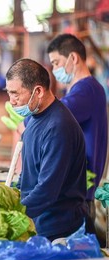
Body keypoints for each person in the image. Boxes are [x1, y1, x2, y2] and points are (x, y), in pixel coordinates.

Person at [6, 58, 88, 241]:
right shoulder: (35, 118)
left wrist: (11, 212)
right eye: (9, 93)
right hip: (37, 222)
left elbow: (47, 190)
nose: (11, 101)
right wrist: (10, 195)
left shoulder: (59, 127)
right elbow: (28, 176)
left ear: (38, 91)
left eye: (15, 94)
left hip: (58, 229)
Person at [47, 33, 108, 242]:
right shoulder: (87, 90)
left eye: (56, 62)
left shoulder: (86, 90)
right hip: (82, 191)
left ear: (73, 58)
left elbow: (54, 117)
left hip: (79, 191)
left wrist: (25, 122)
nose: (55, 70)